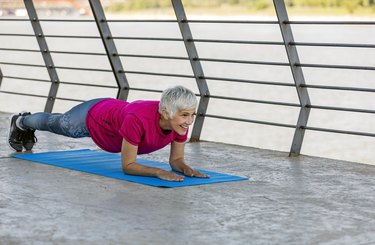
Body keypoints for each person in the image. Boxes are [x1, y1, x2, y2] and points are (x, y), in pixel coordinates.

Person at [8, 85, 209, 182]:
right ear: (166, 112)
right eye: (185, 115)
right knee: (57, 124)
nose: (189, 121)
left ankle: (23, 122)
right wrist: (157, 171)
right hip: (92, 116)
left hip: (113, 121)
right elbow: (128, 166)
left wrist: (185, 168)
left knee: (57, 123)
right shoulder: (138, 119)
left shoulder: (179, 123)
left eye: (192, 115)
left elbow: (176, 160)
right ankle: (21, 121)